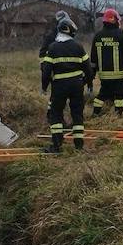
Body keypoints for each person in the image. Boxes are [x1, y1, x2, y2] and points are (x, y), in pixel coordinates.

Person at [41, 17, 93, 153]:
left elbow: (46, 70)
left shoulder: (53, 48)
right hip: (77, 85)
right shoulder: (78, 46)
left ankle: (57, 145)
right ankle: (79, 146)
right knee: (77, 114)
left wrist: (44, 86)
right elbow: (88, 68)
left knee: (56, 113)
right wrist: (89, 83)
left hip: (59, 86)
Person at [90, 8, 123, 115]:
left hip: (104, 74)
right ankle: (118, 115)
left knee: (102, 94)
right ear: (115, 20)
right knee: (120, 96)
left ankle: (95, 113)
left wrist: (93, 72)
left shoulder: (98, 36)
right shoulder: (120, 34)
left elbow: (93, 56)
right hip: (119, 74)